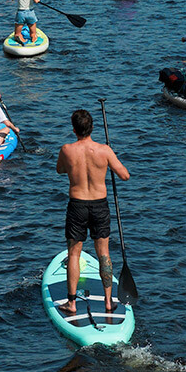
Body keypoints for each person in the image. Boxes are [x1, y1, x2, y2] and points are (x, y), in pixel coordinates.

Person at [54, 108, 130, 316]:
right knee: (103, 253)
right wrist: (108, 158)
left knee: (74, 254)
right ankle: (108, 301)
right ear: (92, 127)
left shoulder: (67, 149)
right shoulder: (104, 150)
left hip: (77, 205)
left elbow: (60, 169)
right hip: (99, 206)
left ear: (74, 129)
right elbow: (125, 175)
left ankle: (71, 303)